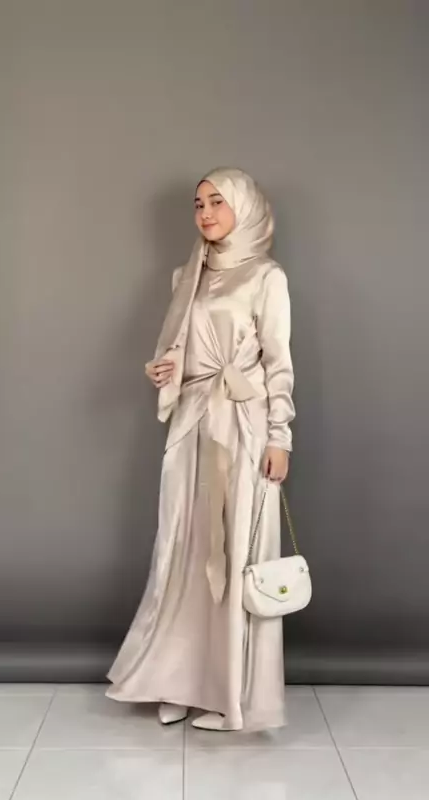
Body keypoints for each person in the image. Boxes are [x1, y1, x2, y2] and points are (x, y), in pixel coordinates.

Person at [105, 167, 295, 731]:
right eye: (198, 204)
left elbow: (278, 363)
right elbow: (181, 352)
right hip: (192, 425)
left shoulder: (266, 276)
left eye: (217, 202)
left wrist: (280, 436)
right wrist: (165, 369)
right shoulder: (185, 276)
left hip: (244, 429)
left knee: (236, 552)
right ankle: (180, 679)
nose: (205, 213)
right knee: (186, 548)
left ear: (245, 207)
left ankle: (230, 694)